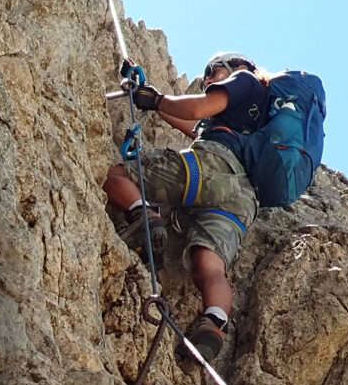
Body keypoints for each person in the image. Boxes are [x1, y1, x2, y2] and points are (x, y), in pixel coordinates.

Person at [103, 52, 269, 362]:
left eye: (214, 71)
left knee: (116, 176)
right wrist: (151, 99)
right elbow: (194, 124)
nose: (208, 79)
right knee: (209, 263)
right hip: (242, 200)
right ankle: (214, 323)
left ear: (239, 67)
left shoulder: (245, 81)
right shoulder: (258, 122)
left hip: (212, 167)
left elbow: (196, 108)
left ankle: (145, 216)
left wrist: (159, 98)